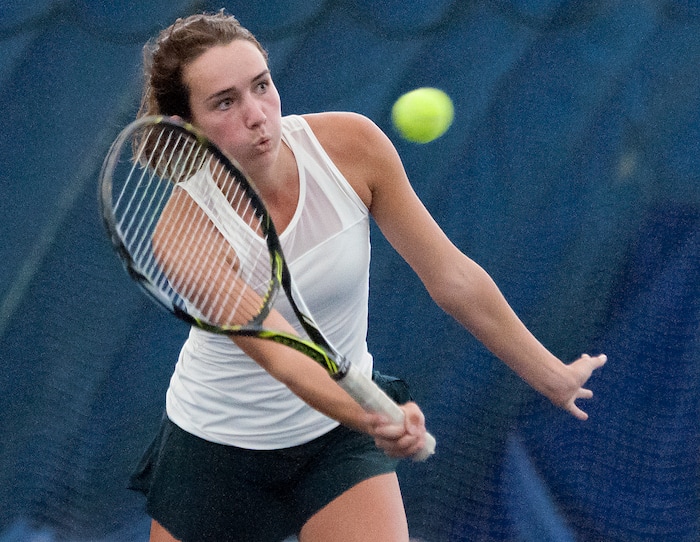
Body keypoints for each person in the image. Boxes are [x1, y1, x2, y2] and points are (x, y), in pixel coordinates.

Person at [128, 10, 607, 542]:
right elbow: (285, 356)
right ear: (184, 127)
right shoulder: (182, 234)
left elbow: (451, 277)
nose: (257, 114)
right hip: (218, 451)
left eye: (261, 85)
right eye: (225, 102)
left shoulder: (352, 146)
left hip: (334, 440)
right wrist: (373, 416)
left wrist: (550, 374)